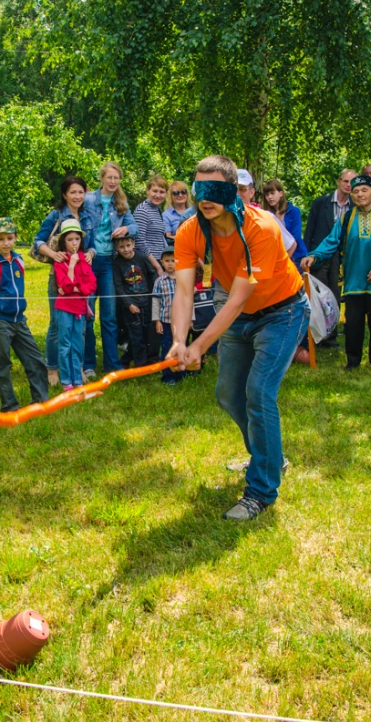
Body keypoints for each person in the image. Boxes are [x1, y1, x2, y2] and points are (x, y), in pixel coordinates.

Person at [169, 155, 309, 521]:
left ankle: (261, 490)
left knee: (259, 393)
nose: (205, 197)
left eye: (215, 189)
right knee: (229, 393)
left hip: (283, 312)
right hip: (240, 319)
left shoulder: (261, 227)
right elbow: (183, 293)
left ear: (233, 191)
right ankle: (269, 457)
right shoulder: (190, 231)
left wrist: (201, 345)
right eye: (200, 188)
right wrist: (179, 340)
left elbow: (236, 298)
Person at [300, 174, 371, 373]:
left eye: (364, 190)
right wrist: (315, 255)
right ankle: (353, 362)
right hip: (353, 281)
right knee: (353, 324)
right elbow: (331, 241)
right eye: (355, 191)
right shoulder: (346, 219)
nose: (359, 194)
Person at [0, 217, 49, 412]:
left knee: (35, 360)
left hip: (20, 320)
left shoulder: (19, 260)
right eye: (1, 239)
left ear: (16, 237)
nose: (6, 243)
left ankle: (41, 401)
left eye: (10, 238)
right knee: (3, 365)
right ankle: (10, 406)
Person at [33, 176, 95, 386]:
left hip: (83, 276)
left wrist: (91, 254)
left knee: (81, 322)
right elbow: (38, 240)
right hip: (59, 277)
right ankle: (53, 368)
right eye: (73, 192)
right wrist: (54, 253)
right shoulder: (56, 215)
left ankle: (76, 368)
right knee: (57, 324)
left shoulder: (87, 216)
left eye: (80, 192)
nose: (77, 196)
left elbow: (92, 243)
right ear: (65, 195)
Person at [83, 162, 138, 373]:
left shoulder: (121, 202)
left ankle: (112, 364)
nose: (113, 182)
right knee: (88, 316)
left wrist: (125, 227)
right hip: (88, 263)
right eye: (109, 178)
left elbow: (135, 227)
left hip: (108, 264)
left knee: (109, 316)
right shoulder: (88, 200)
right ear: (102, 178)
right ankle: (88, 365)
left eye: (116, 178)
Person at [304, 169, 356, 347]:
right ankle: (316, 333)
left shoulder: (354, 207)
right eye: (345, 181)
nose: (348, 185)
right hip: (319, 254)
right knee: (318, 294)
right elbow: (310, 229)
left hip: (340, 257)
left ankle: (331, 335)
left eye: (352, 182)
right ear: (338, 181)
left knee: (335, 293)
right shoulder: (322, 202)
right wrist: (308, 253)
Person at [53, 220, 98, 390]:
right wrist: (71, 266)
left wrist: (78, 289)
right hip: (64, 308)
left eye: (77, 239)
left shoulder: (85, 260)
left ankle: (77, 379)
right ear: (64, 241)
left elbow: (92, 285)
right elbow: (65, 286)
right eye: (70, 239)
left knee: (77, 343)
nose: (74, 243)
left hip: (80, 308)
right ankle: (66, 381)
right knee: (65, 344)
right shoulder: (60, 261)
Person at [113, 234, 157, 367]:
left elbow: (152, 273)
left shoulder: (141, 257)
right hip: (131, 305)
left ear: (133, 244)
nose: (126, 249)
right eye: (121, 247)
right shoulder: (117, 263)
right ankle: (140, 365)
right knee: (135, 335)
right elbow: (118, 287)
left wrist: (152, 295)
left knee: (145, 334)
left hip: (146, 302)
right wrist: (129, 304)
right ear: (116, 248)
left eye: (128, 245)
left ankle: (128, 360)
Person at [152, 244, 185, 385]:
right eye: (167, 261)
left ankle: (182, 373)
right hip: (166, 320)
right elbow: (155, 301)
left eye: (173, 260)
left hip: (182, 320)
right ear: (162, 262)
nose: (170, 264)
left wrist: (192, 318)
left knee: (182, 346)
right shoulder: (159, 281)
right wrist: (157, 320)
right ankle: (168, 376)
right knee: (167, 347)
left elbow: (189, 299)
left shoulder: (183, 279)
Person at [262, 179, 308, 270]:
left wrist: (286, 257)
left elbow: (296, 236)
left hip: (296, 256)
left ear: (281, 193)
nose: (269, 197)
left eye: (272, 193)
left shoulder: (294, 211)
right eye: (267, 194)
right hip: (276, 257)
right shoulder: (266, 214)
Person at [133, 176, 169, 276]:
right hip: (147, 263)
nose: (158, 195)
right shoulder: (142, 210)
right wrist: (157, 266)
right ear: (148, 191)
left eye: (162, 192)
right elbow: (140, 242)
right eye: (155, 191)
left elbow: (160, 238)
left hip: (160, 260)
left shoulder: (157, 210)